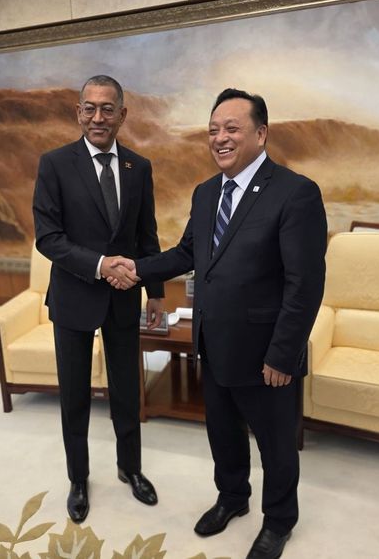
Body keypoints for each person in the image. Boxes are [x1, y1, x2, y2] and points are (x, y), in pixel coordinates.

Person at [107, 88, 327, 559]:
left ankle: (279, 521)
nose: (219, 138)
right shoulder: (207, 193)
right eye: (212, 130)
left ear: (261, 134)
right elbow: (188, 253)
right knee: (223, 434)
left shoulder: (296, 193)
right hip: (213, 342)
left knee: (275, 446)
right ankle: (232, 497)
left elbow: (305, 285)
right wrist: (138, 268)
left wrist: (283, 354)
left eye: (231, 129)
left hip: (267, 355)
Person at [32, 75, 164, 524]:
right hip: (74, 297)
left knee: (127, 390)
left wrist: (156, 292)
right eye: (89, 108)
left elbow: (147, 235)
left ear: (122, 114)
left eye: (107, 108)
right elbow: (48, 238)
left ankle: (131, 469)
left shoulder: (138, 167)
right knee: (75, 396)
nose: (98, 117)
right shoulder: (54, 164)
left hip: (125, 299)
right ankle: (78, 479)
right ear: (78, 112)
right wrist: (101, 265)